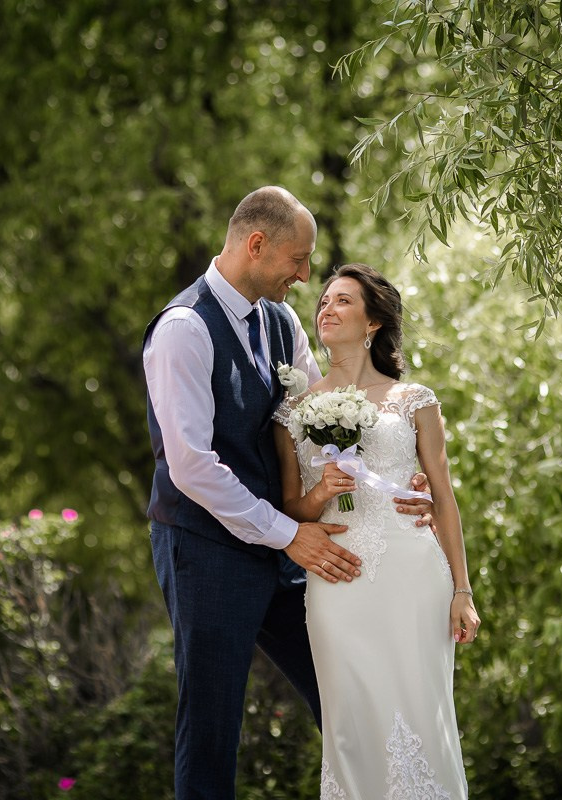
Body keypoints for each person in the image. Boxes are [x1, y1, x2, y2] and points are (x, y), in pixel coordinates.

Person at [142, 187, 433, 799]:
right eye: (298, 260)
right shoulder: (184, 330)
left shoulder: (281, 321)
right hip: (206, 549)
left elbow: (323, 424)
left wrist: (397, 469)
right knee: (212, 724)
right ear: (256, 245)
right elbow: (191, 466)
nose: (305, 275)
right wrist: (289, 534)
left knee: (347, 690)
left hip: (282, 542)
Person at [274, 263, 481, 798]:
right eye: (323, 301)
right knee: (348, 719)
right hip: (337, 578)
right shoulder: (292, 411)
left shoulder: (415, 400)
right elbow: (291, 510)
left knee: (420, 709)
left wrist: (463, 590)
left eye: (343, 301)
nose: (327, 309)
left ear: (372, 324)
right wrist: (322, 493)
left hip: (413, 575)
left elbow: (442, 496)